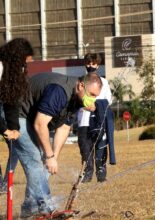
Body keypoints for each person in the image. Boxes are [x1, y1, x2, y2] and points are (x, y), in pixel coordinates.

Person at [13, 71, 102, 218]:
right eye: (92, 94)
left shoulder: (76, 99)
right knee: (35, 159)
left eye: (96, 97)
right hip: (17, 114)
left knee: (42, 163)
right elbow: (40, 124)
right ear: (81, 86)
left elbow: (64, 127)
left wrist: (54, 157)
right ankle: (47, 208)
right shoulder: (59, 91)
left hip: (32, 118)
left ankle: (29, 208)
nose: (93, 100)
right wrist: (49, 155)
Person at [0, 38, 34, 193]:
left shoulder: (11, 73)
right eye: (23, 62)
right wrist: (4, 129)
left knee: (14, 147)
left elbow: (11, 101)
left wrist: (14, 128)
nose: (24, 67)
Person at [77, 53, 113, 182]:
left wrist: (96, 106)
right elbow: (77, 99)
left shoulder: (103, 82)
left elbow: (108, 100)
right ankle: (87, 173)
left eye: (93, 63)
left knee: (100, 147)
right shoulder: (80, 80)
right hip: (83, 121)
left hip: (98, 121)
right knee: (85, 148)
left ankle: (101, 172)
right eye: (88, 63)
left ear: (98, 65)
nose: (90, 66)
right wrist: (84, 104)